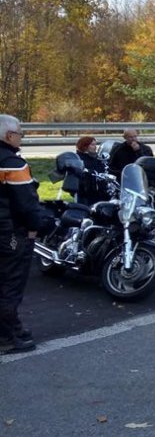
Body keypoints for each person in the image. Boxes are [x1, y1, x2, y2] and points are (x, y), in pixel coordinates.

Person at [0, 114, 55, 354]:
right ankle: (7, 338)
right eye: (20, 133)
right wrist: (40, 226)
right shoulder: (12, 164)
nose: (21, 138)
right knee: (9, 285)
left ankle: (10, 330)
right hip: (10, 235)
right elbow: (27, 205)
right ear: (9, 135)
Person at [75, 136, 108, 206]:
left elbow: (103, 170)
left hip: (99, 191)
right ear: (85, 146)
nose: (95, 147)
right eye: (92, 145)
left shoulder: (97, 158)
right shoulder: (78, 159)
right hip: (85, 192)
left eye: (95, 144)